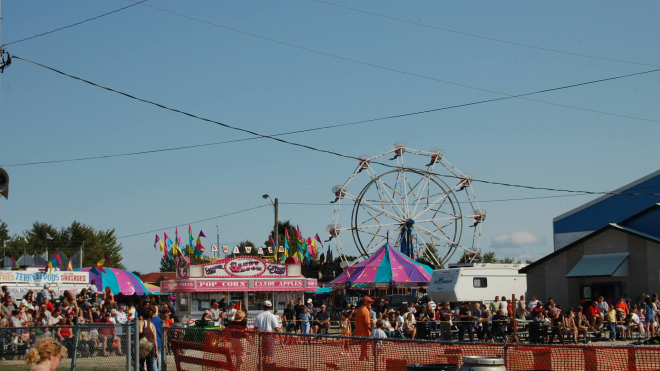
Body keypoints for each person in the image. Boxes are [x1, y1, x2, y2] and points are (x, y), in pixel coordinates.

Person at [252, 300, 281, 365]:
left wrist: (253, 338)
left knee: (263, 354)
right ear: (270, 307)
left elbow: (255, 329)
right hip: (269, 336)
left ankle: (263, 366)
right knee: (267, 355)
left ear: (263, 307)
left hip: (261, 337)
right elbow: (277, 328)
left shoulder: (258, 316)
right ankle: (265, 367)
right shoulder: (273, 316)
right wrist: (280, 338)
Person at [354, 296, 374, 361]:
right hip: (365, 333)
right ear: (365, 302)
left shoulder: (359, 309)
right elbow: (367, 325)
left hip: (359, 332)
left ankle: (361, 360)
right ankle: (368, 361)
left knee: (363, 349)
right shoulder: (365, 311)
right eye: (369, 302)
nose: (371, 303)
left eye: (371, 302)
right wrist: (373, 331)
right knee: (366, 348)